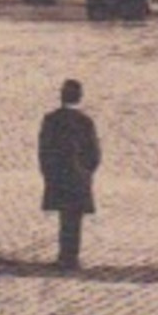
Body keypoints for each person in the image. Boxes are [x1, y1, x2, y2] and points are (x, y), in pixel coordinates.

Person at [38, 79, 102, 271]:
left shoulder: (51, 119)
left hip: (58, 175)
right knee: (74, 218)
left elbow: (44, 150)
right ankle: (70, 256)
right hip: (78, 177)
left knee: (64, 216)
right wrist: (86, 171)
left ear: (61, 96)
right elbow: (94, 153)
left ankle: (64, 256)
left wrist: (48, 172)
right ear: (80, 98)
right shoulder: (85, 121)